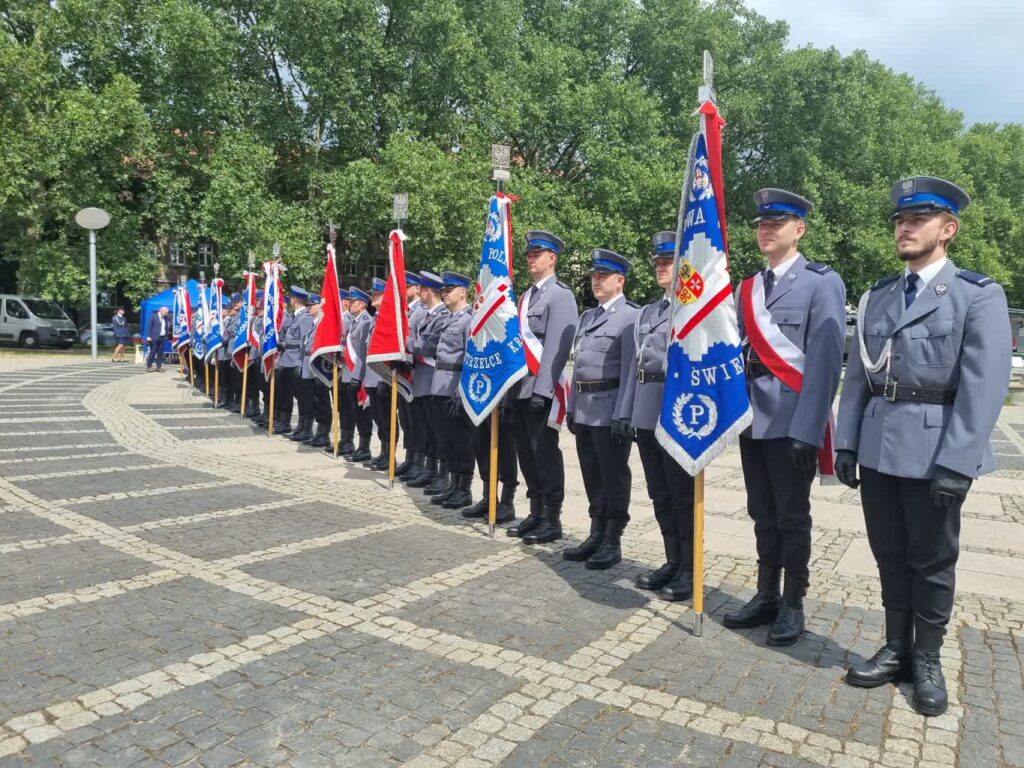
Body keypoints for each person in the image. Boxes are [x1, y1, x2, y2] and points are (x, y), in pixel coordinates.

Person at [835, 177, 1010, 716]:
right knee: (889, 554)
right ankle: (896, 648)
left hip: (936, 452)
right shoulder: (881, 295)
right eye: (900, 220)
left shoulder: (977, 295)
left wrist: (959, 461)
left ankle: (928, 658)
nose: (904, 228)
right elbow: (860, 374)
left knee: (932, 561)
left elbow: (984, 387)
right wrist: (846, 441)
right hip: (880, 448)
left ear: (947, 229)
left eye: (918, 219)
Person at [726, 189, 846, 647]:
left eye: (777, 224)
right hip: (753, 417)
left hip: (793, 420)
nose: (767, 231)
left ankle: (793, 603)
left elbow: (826, 361)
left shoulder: (821, 282)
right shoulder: (748, 288)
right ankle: (765, 595)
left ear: (799, 230)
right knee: (762, 512)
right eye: (761, 224)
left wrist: (809, 429)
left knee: (792, 515)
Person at [615, 231, 697, 599]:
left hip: (677, 413)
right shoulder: (649, 311)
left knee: (682, 495)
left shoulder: (695, 308)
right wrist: (627, 412)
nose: (662, 268)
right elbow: (635, 366)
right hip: (647, 411)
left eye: (669, 261)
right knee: (660, 494)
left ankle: (690, 568)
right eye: (659, 262)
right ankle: (672, 559)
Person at [561, 249, 639, 569]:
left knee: (613, 475)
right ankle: (596, 531)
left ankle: (612, 537)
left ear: (619, 281)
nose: (597, 281)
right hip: (585, 408)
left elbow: (631, 371)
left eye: (603, 276)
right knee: (592, 474)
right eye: (594, 275)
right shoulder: (588, 317)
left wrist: (624, 413)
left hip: (610, 409)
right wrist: (571, 407)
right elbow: (579, 366)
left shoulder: (632, 316)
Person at [508, 231, 579, 544]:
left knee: (544, 452)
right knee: (526, 453)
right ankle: (535, 511)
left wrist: (543, 390)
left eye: (538, 254)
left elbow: (557, 348)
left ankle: (552, 517)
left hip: (541, 390)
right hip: (520, 389)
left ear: (553, 258)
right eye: (529, 254)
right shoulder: (525, 297)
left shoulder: (560, 295)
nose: (531, 259)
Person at [428, 271, 475, 509]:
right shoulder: (448, 318)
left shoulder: (469, 319)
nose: (444, 294)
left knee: (461, 440)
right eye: (443, 290)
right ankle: (453, 484)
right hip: (440, 383)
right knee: (445, 438)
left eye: (449, 290)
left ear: (463, 292)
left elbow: (470, 357)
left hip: (455, 384)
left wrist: (461, 390)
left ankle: (464, 488)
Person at [404, 272, 448, 488]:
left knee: (437, 430)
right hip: (421, 379)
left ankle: (441, 473)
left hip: (432, 380)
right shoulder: (429, 315)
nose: (419, 292)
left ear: (429, 291)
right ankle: (429, 469)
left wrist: (406, 343)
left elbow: (430, 346)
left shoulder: (441, 316)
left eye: (421, 289)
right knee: (425, 429)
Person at [357, 279, 392, 469]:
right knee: (378, 417)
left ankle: (389, 454)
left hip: (382, 375)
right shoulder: (376, 318)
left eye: (377, 294)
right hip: (371, 375)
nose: (373, 297)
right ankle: (383, 452)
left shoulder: (387, 318)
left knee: (386, 418)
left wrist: (385, 377)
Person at [395, 272, 425, 476]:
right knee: (406, 419)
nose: (404, 291)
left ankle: (418, 460)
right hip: (404, 369)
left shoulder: (420, 312)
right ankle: (410, 457)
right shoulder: (403, 311)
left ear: (416, 289)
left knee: (417, 421)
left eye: (408, 287)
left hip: (415, 372)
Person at [344, 287, 374, 462]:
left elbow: (362, 353)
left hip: (359, 374)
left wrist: (358, 375)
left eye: (353, 302)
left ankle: (365, 447)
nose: (350, 304)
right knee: (353, 411)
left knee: (363, 413)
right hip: (351, 373)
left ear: (362, 304)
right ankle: (355, 444)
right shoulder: (356, 321)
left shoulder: (365, 321)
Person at [291, 292, 322, 443]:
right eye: (308, 305)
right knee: (305, 399)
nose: (309, 308)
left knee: (318, 401)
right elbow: (304, 345)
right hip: (306, 365)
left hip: (315, 368)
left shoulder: (319, 322)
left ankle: (317, 432)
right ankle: (305, 428)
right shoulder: (314, 322)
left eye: (312, 305)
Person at [145, 307, 169, 372]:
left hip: (162, 337)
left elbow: (166, 327)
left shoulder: (165, 318)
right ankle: (149, 366)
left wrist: (166, 335)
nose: (167, 314)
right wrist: (148, 336)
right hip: (154, 337)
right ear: (161, 311)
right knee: (152, 352)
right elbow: (149, 327)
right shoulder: (153, 317)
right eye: (166, 312)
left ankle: (159, 367)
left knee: (160, 353)